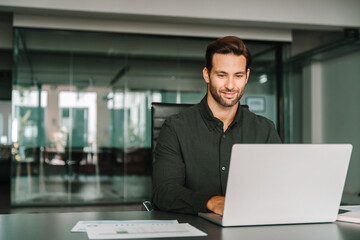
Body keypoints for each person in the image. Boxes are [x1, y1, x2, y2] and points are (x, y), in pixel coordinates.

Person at [152, 36, 282, 215]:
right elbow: (164, 192)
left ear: (247, 76)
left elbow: (280, 186)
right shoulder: (175, 128)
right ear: (207, 74)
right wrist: (212, 202)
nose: (230, 85)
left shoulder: (265, 129)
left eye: (238, 76)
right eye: (222, 75)